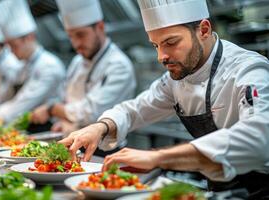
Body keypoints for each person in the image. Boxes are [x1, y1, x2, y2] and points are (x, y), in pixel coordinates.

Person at [59, 0, 269, 198]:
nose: (162, 56)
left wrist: (157, 157)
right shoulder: (176, 79)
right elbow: (135, 110)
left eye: (170, 42)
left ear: (203, 30)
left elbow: (259, 136)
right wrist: (100, 127)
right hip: (220, 191)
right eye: (156, 46)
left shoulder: (248, 69)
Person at [32, 0, 136, 137]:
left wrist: (53, 109)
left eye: (81, 35)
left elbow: (91, 112)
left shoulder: (119, 65)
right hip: (74, 142)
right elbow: (67, 100)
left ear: (100, 27)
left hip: (105, 150)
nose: (76, 44)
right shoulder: (77, 61)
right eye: (71, 37)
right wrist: (63, 123)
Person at [0, 0, 66, 125]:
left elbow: (25, 101)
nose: (11, 51)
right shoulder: (22, 66)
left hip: (47, 128)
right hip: (27, 127)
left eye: (14, 45)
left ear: (29, 37)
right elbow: (7, 94)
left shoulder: (49, 65)